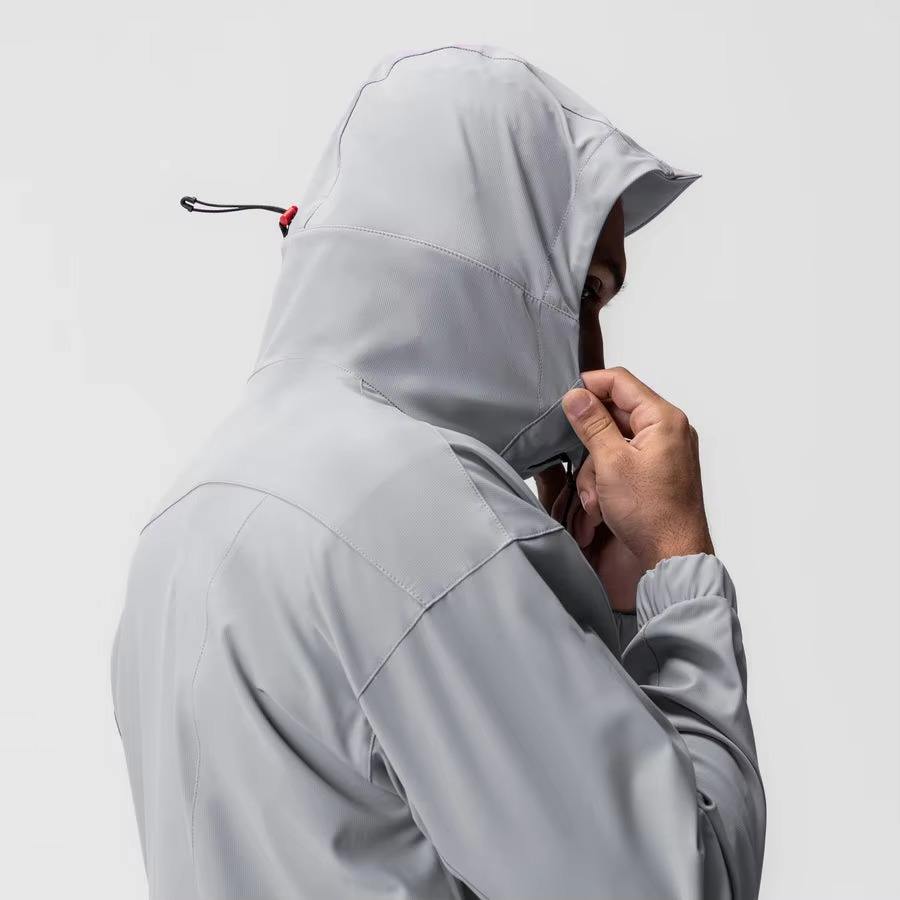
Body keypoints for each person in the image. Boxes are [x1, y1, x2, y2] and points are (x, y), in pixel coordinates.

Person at [111, 44, 766, 899]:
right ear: (498, 267)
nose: (596, 351)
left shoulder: (189, 509)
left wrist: (581, 612)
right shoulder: (419, 512)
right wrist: (678, 565)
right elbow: (679, 885)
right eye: (587, 291)